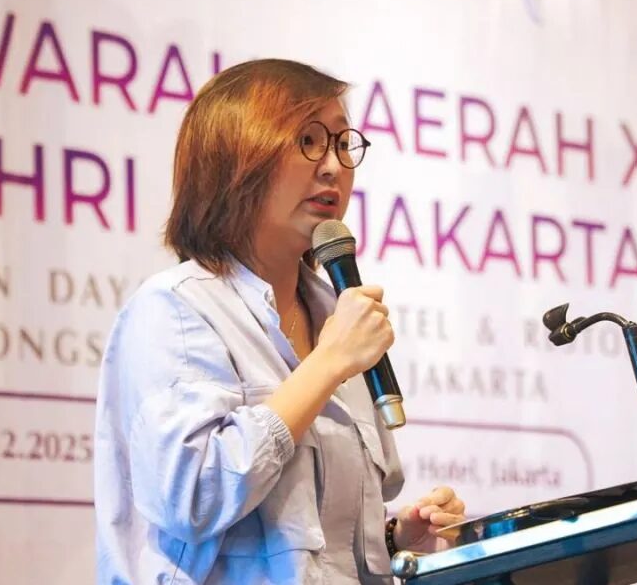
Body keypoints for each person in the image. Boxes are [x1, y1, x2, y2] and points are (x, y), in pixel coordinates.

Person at [94, 59, 466, 584]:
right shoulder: (175, 308)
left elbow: (305, 542)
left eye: (343, 143)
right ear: (235, 160)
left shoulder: (336, 314)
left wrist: (395, 539)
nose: (333, 166)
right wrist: (327, 364)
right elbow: (192, 496)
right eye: (309, 141)